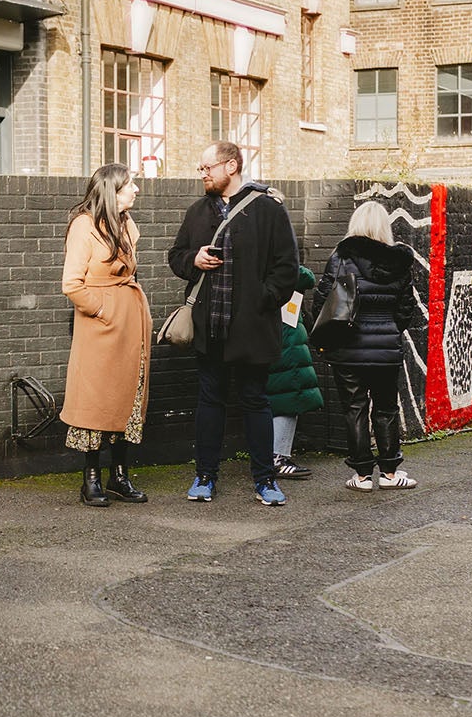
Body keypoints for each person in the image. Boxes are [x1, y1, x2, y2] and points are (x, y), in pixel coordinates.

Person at [168, 142, 301, 506]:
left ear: (231, 165)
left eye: (207, 167)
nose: (203, 174)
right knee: (210, 401)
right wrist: (192, 259)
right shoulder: (197, 212)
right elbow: (175, 257)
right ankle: (205, 477)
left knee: (256, 401)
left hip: (252, 328)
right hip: (208, 328)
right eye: (201, 169)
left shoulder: (268, 209)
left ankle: (265, 481)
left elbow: (287, 267)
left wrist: (262, 300)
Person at [309, 202, 422, 491]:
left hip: (348, 348)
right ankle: (389, 474)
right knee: (386, 409)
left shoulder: (342, 257)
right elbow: (406, 307)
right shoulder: (399, 261)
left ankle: (361, 476)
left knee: (354, 409)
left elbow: (323, 300)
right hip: (386, 349)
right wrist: (390, 330)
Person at [59, 164, 153, 506]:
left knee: (127, 397)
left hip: (130, 322)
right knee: (95, 400)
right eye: (130, 184)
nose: (136, 189)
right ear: (113, 190)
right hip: (99, 325)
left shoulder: (126, 223)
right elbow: (71, 283)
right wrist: (101, 309)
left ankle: (120, 477)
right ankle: (92, 479)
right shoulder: (84, 226)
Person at [266, 262, 323, 479]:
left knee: (274, 393)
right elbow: (304, 277)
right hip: (284, 334)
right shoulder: (272, 252)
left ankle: (270, 455)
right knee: (289, 394)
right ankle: (277, 457)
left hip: (270, 331)